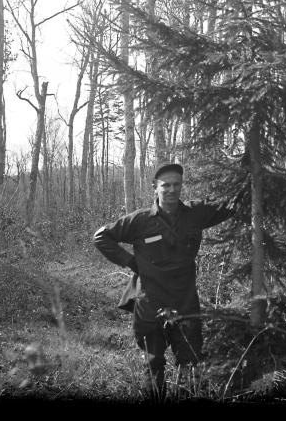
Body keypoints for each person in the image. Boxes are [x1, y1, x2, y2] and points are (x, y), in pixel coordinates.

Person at [93, 163, 234, 399]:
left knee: (190, 364)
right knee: (153, 364)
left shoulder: (195, 214)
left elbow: (230, 206)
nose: (171, 190)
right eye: (165, 185)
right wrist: (131, 262)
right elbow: (101, 237)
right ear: (155, 188)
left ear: (181, 186)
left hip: (185, 301)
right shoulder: (140, 220)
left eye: (176, 185)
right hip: (150, 304)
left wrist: (250, 173)